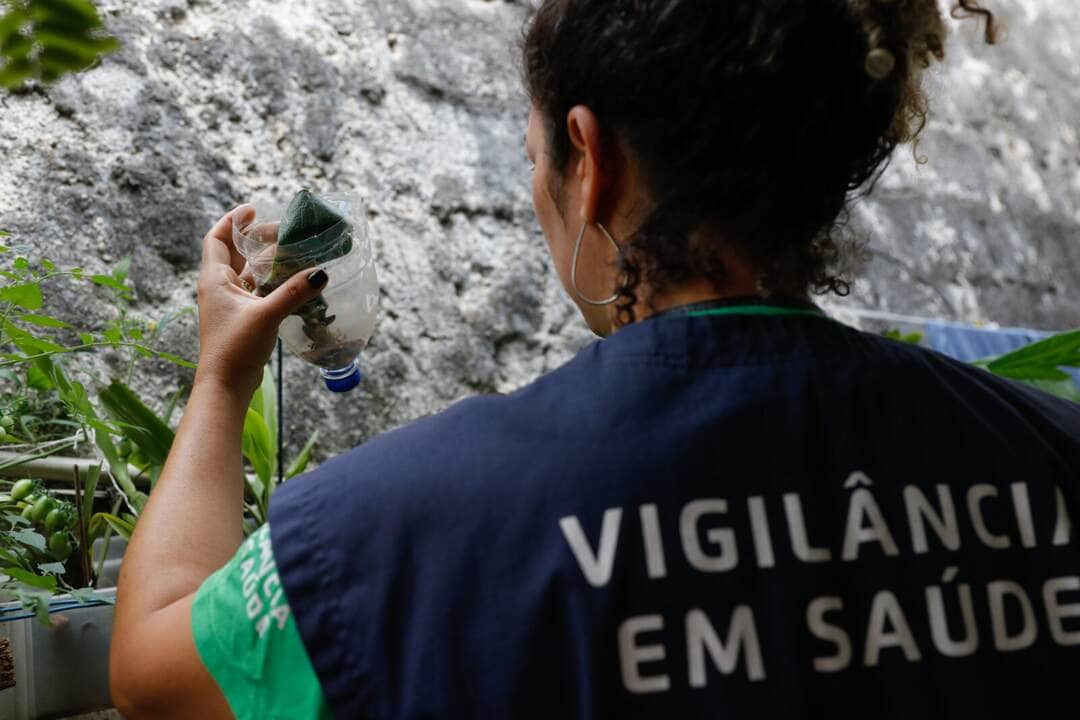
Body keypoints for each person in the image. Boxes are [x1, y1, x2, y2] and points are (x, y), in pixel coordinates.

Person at [110, 1, 1080, 718]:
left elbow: (154, 671)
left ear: (592, 157)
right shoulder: (1053, 453)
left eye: (539, 156)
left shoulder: (384, 536)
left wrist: (221, 378)